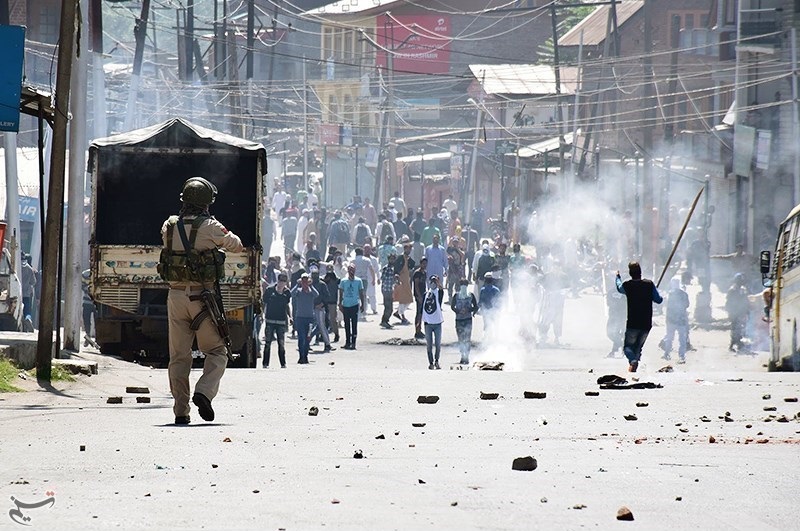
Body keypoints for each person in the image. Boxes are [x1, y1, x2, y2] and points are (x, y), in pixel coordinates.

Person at [161, 177, 244, 425]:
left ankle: (180, 411)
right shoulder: (210, 226)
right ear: (207, 203)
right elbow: (237, 246)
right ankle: (204, 392)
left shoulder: (169, 225)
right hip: (203, 298)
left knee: (179, 357)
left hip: (175, 297)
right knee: (218, 351)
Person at [615, 262, 663, 373]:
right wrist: (655, 292)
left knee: (628, 347)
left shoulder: (627, 285)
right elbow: (659, 300)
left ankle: (633, 361)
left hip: (633, 322)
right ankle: (633, 367)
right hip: (646, 323)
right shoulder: (649, 284)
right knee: (638, 348)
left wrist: (617, 277)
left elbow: (619, 287)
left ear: (630, 273)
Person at [262, 273, 292, 368]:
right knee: (267, 343)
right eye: (280, 281)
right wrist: (261, 314)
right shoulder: (269, 290)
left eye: (283, 281)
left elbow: (287, 305)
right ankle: (265, 363)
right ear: (277, 281)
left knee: (281, 344)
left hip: (281, 321)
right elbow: (264, 303)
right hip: (270, 319)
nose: (281, 283)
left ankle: (283, 363)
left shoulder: (287, 292)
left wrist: (290, 317)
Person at [660, 276, 690, 364]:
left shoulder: (670, 294)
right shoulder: (680, 294)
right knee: (676, 338)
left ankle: (672, 354)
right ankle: (674, 355)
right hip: (677, 319)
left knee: (674, 338)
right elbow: (687, 305)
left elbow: (685, 305)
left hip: (675, 320)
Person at [291, 273, 318, 364]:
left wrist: (311, 285)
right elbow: (292, 294)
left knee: (307, 338)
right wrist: (297, 284)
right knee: (301, 338)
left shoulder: (311, 292)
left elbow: (316, 294)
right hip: (300, 318)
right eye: (303, 281)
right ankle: (301, 356)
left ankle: (305, 356)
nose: (305, 282)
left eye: (306, 280)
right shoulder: (298, 291)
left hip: (310, 318)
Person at [451, 278, 478, 364]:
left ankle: (466, 356)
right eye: (462, 285)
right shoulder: (456, 295)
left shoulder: (470, 295)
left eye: (464, 285)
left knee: (466, 339)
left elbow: (476, 306)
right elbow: (452, 307)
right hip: (459, 320)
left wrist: (469, 310)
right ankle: (463, 355)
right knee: (461, 339)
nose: (463, 287)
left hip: (467, 320)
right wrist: (458, 311)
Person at [339, 264, 365, 350]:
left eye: (353, 269)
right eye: (350, 269)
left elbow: (361, 293)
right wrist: (340, 303)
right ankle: (347, 342)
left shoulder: (358, 281)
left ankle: (353, 342)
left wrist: (363, 304)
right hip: (346, 305)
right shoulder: (343, 281)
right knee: (347, 324)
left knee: (354, 324)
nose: (351, 271)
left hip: (354, 304)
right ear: (347, 270)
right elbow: (341, 293)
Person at [422, 275, 445, 370]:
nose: (433, 283)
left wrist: (438, 283)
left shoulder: (438, 294)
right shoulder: (426, 294)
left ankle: (437, 361)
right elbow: (422, 308)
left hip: (437, 323)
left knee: (438, 344)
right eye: (432, 281)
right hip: (428, 323)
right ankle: (430, 362)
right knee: (429, 345)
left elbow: (441, 290)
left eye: (434, 282)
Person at [310, 266, 335, 352]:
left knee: (321, 326)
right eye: (313, 274)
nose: (315, 276)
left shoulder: (322, 284)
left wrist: (322, 304)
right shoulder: (309, 284)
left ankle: (327, 344)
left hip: (320, 308)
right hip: (310, 308)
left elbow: (327, 296)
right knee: (311, 327)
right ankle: (306, 341)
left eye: (316, 274)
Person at [725, 273, 750, 353]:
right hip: (735, 312)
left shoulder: (743, 289)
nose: (741, 282)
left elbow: (746, 301)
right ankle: (733, 344)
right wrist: (730, 313)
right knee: (735, 329)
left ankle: (739, 343)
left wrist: (747, 310)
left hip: (741, 312)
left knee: (741, 328)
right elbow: (729, 303)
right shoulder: (732, 290)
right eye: (739, 281)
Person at [392, 243, 415, 325]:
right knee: (403, 299)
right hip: (401, 280)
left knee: (408, 299)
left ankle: (398, 312)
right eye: (408, 249)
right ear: (405, 249)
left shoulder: (407, 258)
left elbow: (413, 264)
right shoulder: (400, 258)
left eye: (410, 249)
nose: (409, 251)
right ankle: (402, 315)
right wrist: (397, 277)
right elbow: (396, 268)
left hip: (406, 280)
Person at [605, 283, 626, 358]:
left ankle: (615, 350)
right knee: (610, 333)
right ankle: (622, 345)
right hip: (613, 316)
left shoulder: (626, 293)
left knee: (620, 333)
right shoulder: (611, 292)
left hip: (623, 316)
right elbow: (608, 303)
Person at [379, 253, 399, 329]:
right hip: (386, 289)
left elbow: (394, 281)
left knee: (389, 307)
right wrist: (392, 277)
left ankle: (385, 321)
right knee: (388, 307)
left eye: (393, 259)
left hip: (390, 289)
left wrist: (396, 280)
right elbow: (383, 278)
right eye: (391, 259)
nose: (392, 260)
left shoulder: (394, 269)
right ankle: (384, 321)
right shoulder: (386, 268)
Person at [412, 258, 428, 339]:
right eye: (423, 264)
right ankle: (417, 330)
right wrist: (419, 296)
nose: (424, 265)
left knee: (421, 313)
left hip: (423, 294)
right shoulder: (417, 273)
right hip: (419, 295)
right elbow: (416, 285)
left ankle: (419, 329)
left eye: (426, 264)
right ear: (420, 263)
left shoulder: (424, 273)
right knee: (418, 313)